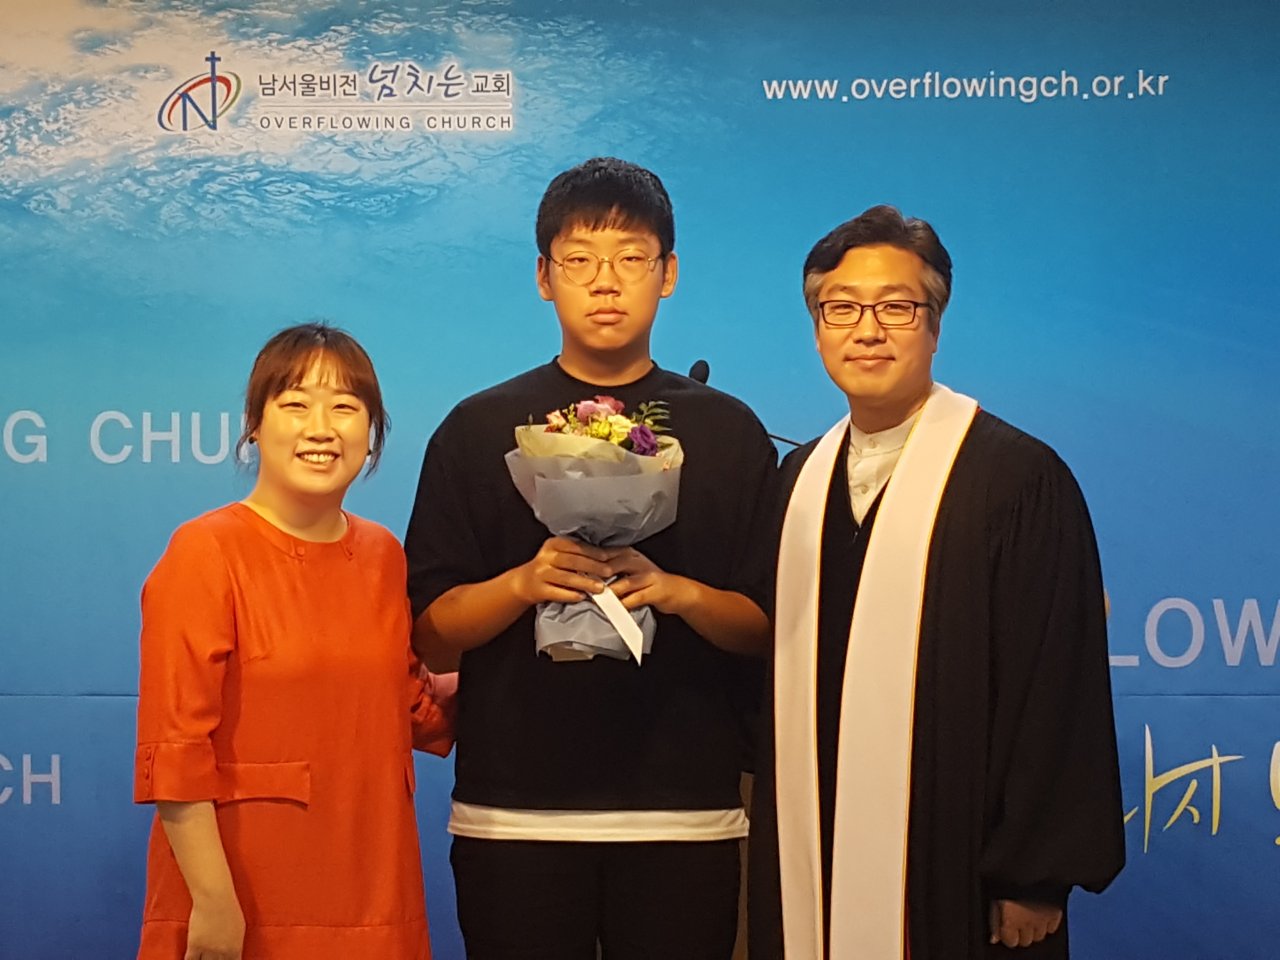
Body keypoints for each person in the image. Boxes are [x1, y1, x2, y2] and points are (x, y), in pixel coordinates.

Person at [405, 157, 776, 959]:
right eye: (579, 258)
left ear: (668, 273)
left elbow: (769, 628)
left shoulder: (731, 433)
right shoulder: (477, 429)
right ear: (544, 277)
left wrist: (676, 592)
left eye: (631, 257)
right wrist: (521, 584)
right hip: (515, 815)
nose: (605, 281)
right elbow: (428, 635)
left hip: (685, 813)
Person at [748, 206, 1125, 959]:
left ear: (935, 324)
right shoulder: (798, 481)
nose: (867, 330)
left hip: (960, 866)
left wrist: (1033, 876)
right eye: (841, 308)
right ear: (817, 328)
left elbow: (1054, 684)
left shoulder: (1016, 479)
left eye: (896, 307)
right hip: (813, 848)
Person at [133, 323, 454, 960]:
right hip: (243, 896)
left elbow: (412, 706)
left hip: (375, 888)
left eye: (345, 407)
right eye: (296, 404)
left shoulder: (384, 556)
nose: (321, 428)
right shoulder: (204, 552)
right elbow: (175, 750)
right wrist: (213, 903)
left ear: (372, 432)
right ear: (255, 424)